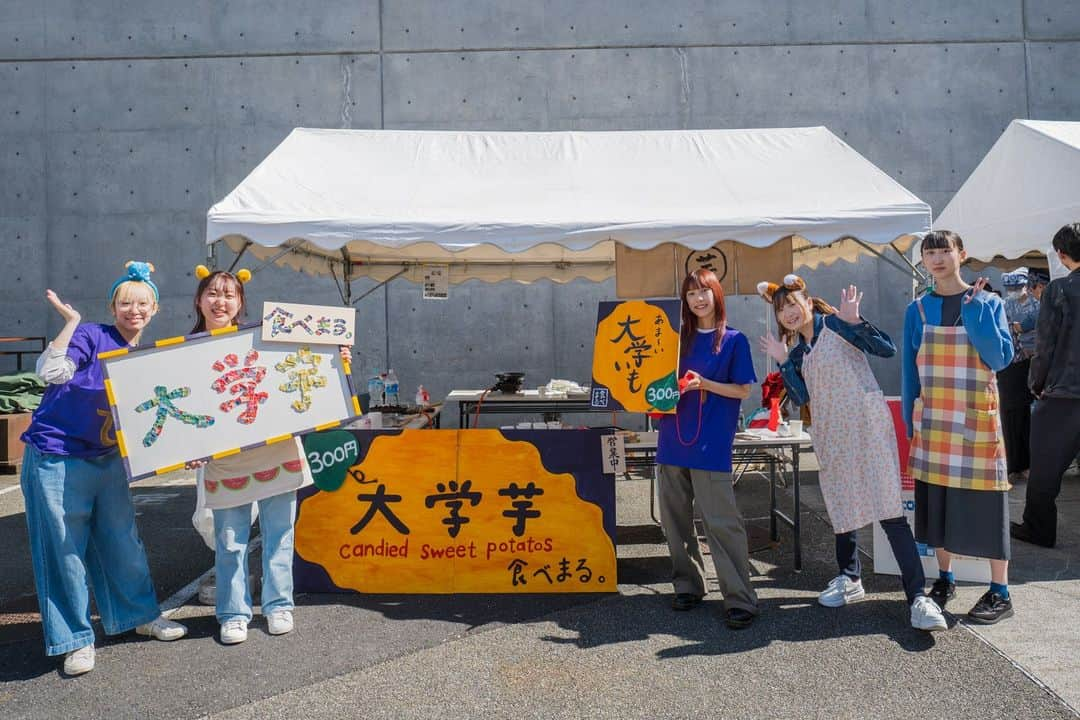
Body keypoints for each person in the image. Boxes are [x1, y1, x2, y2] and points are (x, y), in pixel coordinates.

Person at [20, 261, 188, 676]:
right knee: (63, 549)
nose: (135, 310)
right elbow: (51, 372)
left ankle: (139, 616)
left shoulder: (146, 356)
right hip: (56, 454)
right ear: (113, 306)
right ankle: (75, 639)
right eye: (126, 302)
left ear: (155, 309)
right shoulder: (90, 335)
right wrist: (71, 320)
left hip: (107, 456)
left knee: (121, 540)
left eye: (143, 303)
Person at [758, 274, 947, 631]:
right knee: (842, 507)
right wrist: (784, 362)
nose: (789, 313)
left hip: (866, 426)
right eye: (781, 309)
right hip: (832, 434)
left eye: (793, 304)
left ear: (808, 302)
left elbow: (886, 349)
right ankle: (850, 578)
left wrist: (854, 321)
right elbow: (800, 398)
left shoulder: (836, 325)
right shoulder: (800, 352)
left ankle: (918, 598)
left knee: (889, 509)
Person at [187, 266, 311, 645]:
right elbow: (186, 410)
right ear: (199, 300)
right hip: (225, 460)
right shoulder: (181, 351)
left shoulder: (266, 340)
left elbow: (303, 369)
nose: (220, 301)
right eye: (213, 293)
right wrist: (184, 447)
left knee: (280, 534)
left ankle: (278, 604)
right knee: (229, 540)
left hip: (275, 450)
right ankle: (233, 612)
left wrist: (335, 359)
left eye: (228, 294)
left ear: (240, 302)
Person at [902, 230, 1015, 624]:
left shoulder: (988, 302)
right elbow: (908, 371)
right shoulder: (916, 309)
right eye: (929, 252)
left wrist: (978, 317)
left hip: (976, 420)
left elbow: (1000, 359)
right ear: (922, 261)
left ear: (961, 254)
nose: (937, 259)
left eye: (944, 251)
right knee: (938, 507)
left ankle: (1000, 592)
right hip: (933, 421)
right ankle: (945, 580)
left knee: (987, 505)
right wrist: (907, 418)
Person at [655, 268, 759, 629]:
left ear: (717, 295)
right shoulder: (672, 340)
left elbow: (744, 390)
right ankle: (687, 584)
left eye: (705, 292)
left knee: (721, 522)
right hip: (671, 438)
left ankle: (739, 596)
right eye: (691, 294)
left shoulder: (733, 340)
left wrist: (704, 384)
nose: (699, 299)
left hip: (710, 442)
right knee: (674, 519)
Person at [1012, 223, 1080, 548]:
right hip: (1065, 390)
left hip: (1064, 393)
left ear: (1062, 255)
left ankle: (1038, 528)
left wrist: (1035, 384)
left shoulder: (1059, 290)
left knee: (1045, 467)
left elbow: (1045, 345)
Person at [998, 268, 1039, 484]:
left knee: (1027, 417)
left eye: (1017, 287)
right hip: (1010, 366)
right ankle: (1013, 465)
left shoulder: (1037, 305)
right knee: (1010, 418)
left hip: (1033, 365)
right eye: (1010, 288)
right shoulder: (1004, 306)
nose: (1013, 291)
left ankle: (1027, 464)